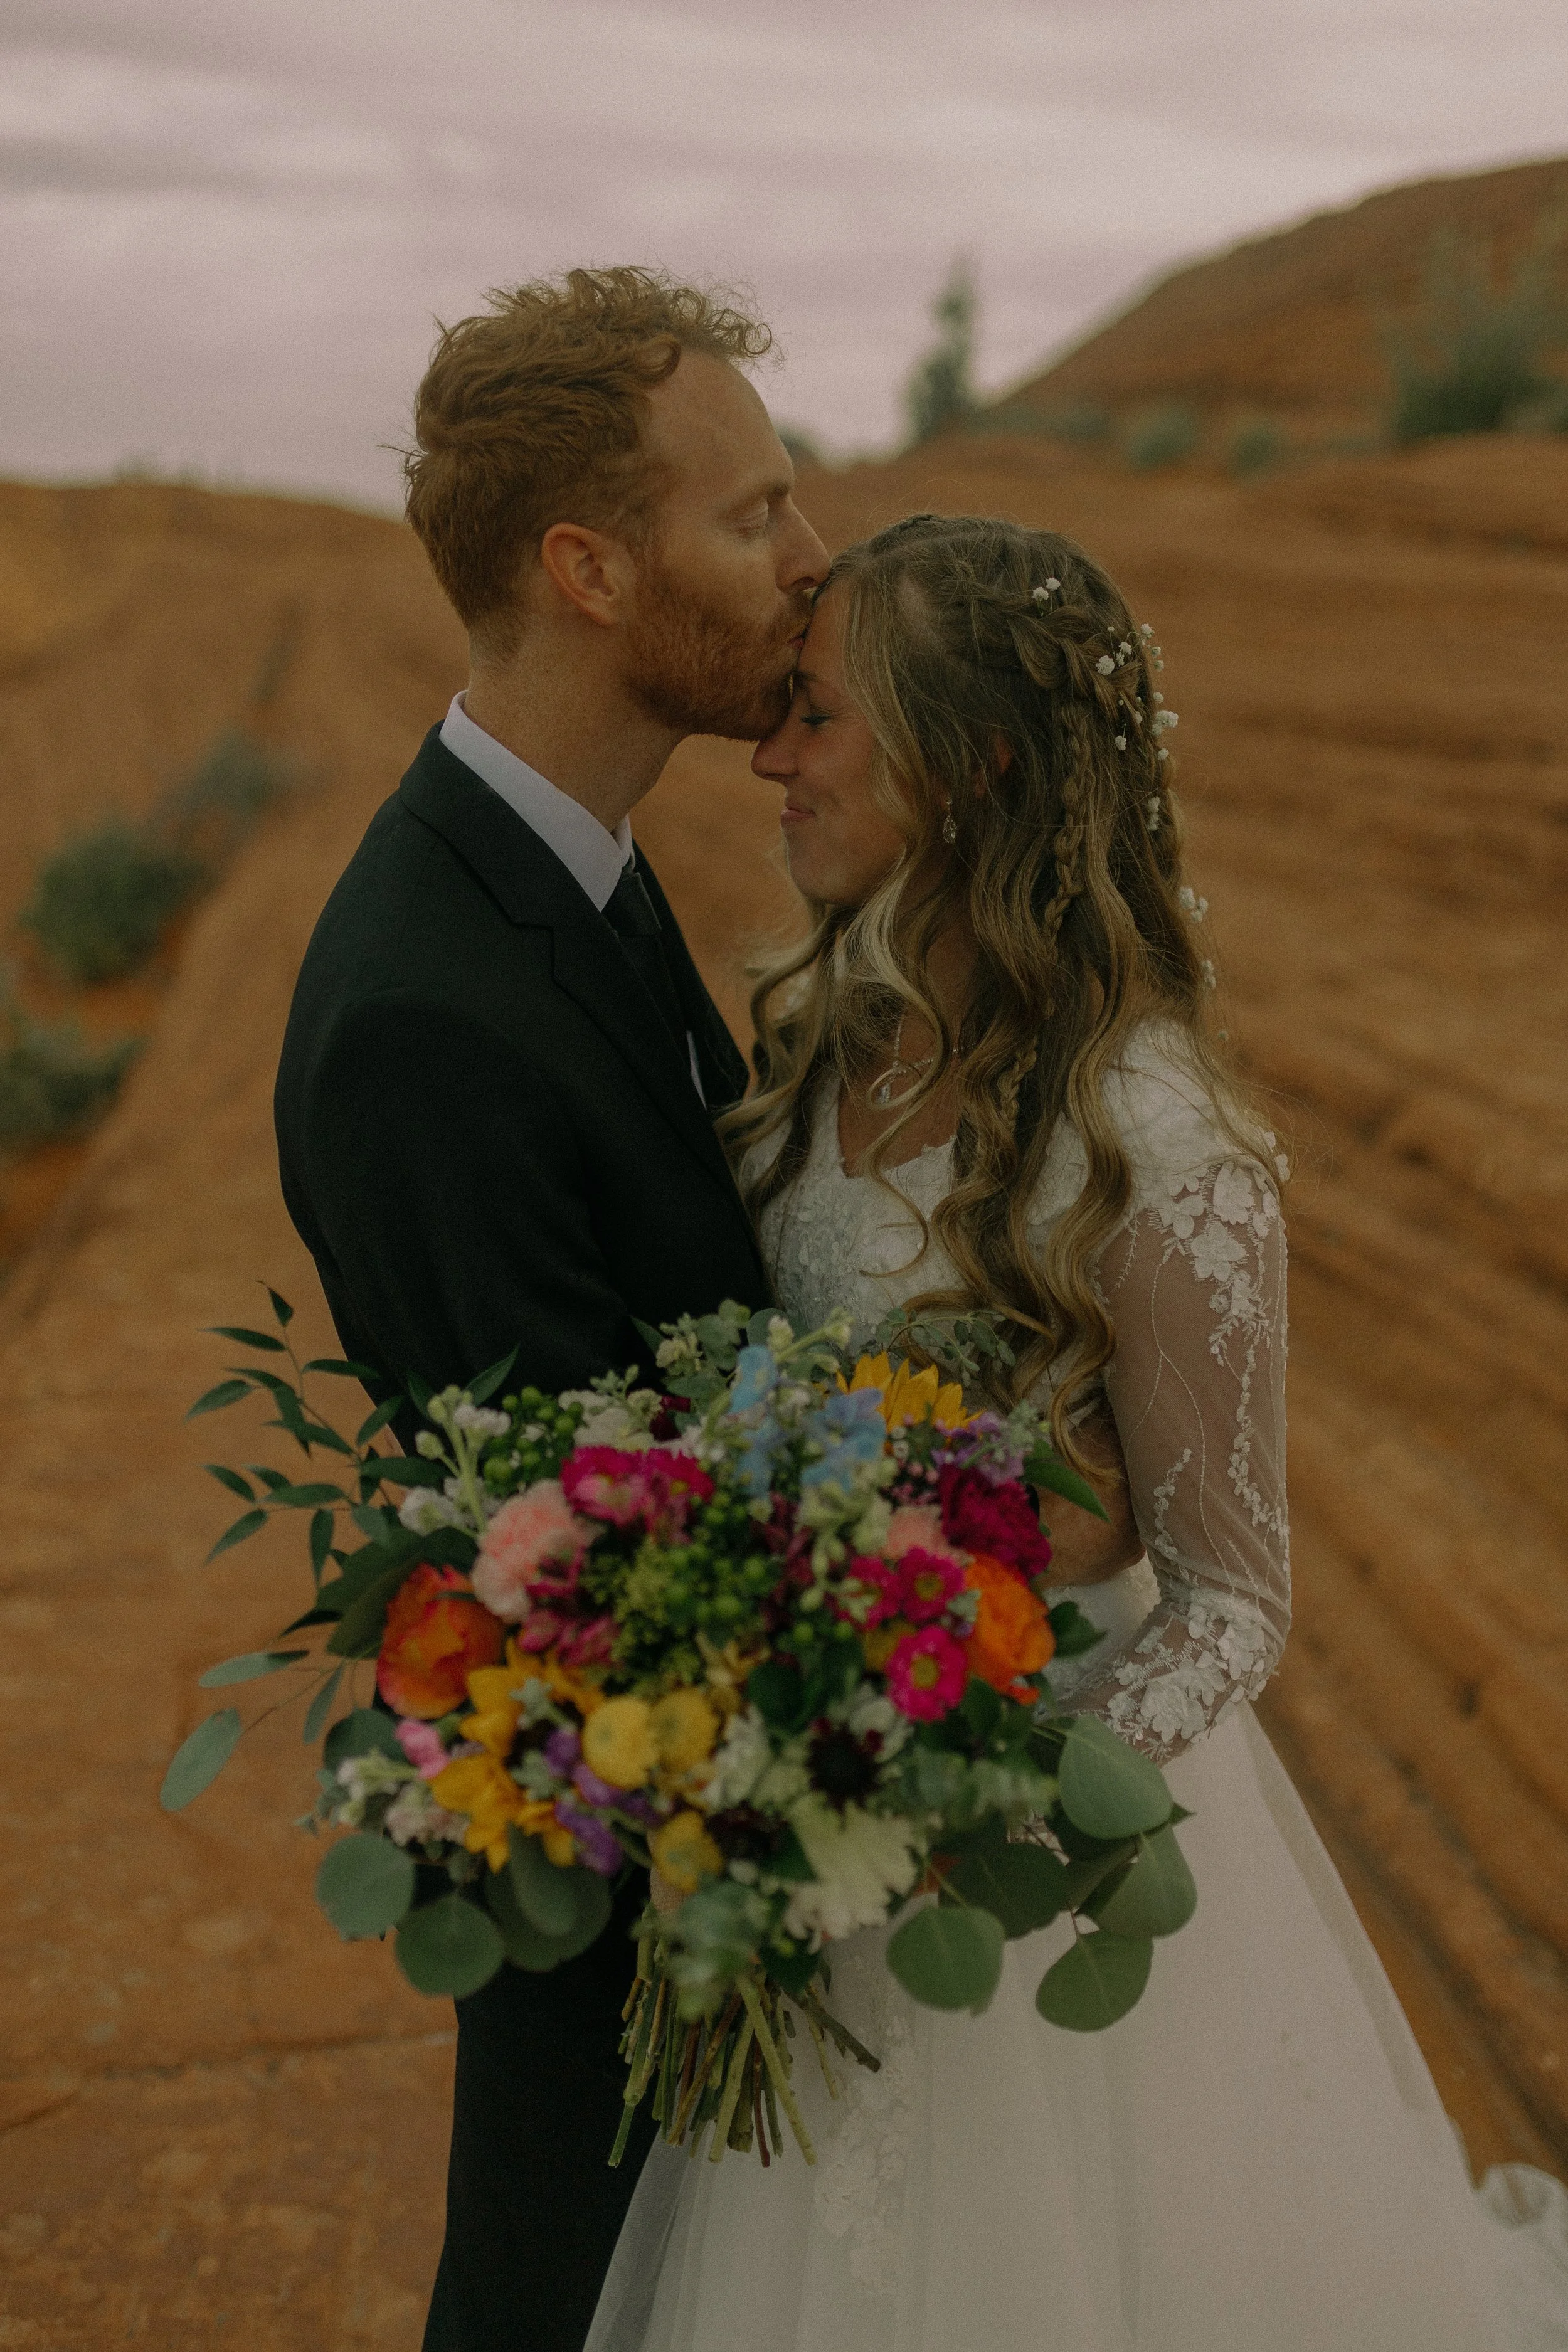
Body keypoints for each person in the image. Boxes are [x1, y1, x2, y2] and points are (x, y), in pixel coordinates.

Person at [585, 514, 1568, 2351]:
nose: (768, 756)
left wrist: (984, 1804)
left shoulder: (1153, 1136)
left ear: (974, 767)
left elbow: (1226, 1599)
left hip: (1019, 1856)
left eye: (814, 715)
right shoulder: (817, 1046)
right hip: (816, 1817)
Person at [275, 267, 837, 2352]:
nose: (807, 560)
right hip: (624, 1934)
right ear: (588, 568)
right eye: (753, 513)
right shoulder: (430, 1007)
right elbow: (584, 1571)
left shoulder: (568, 874)